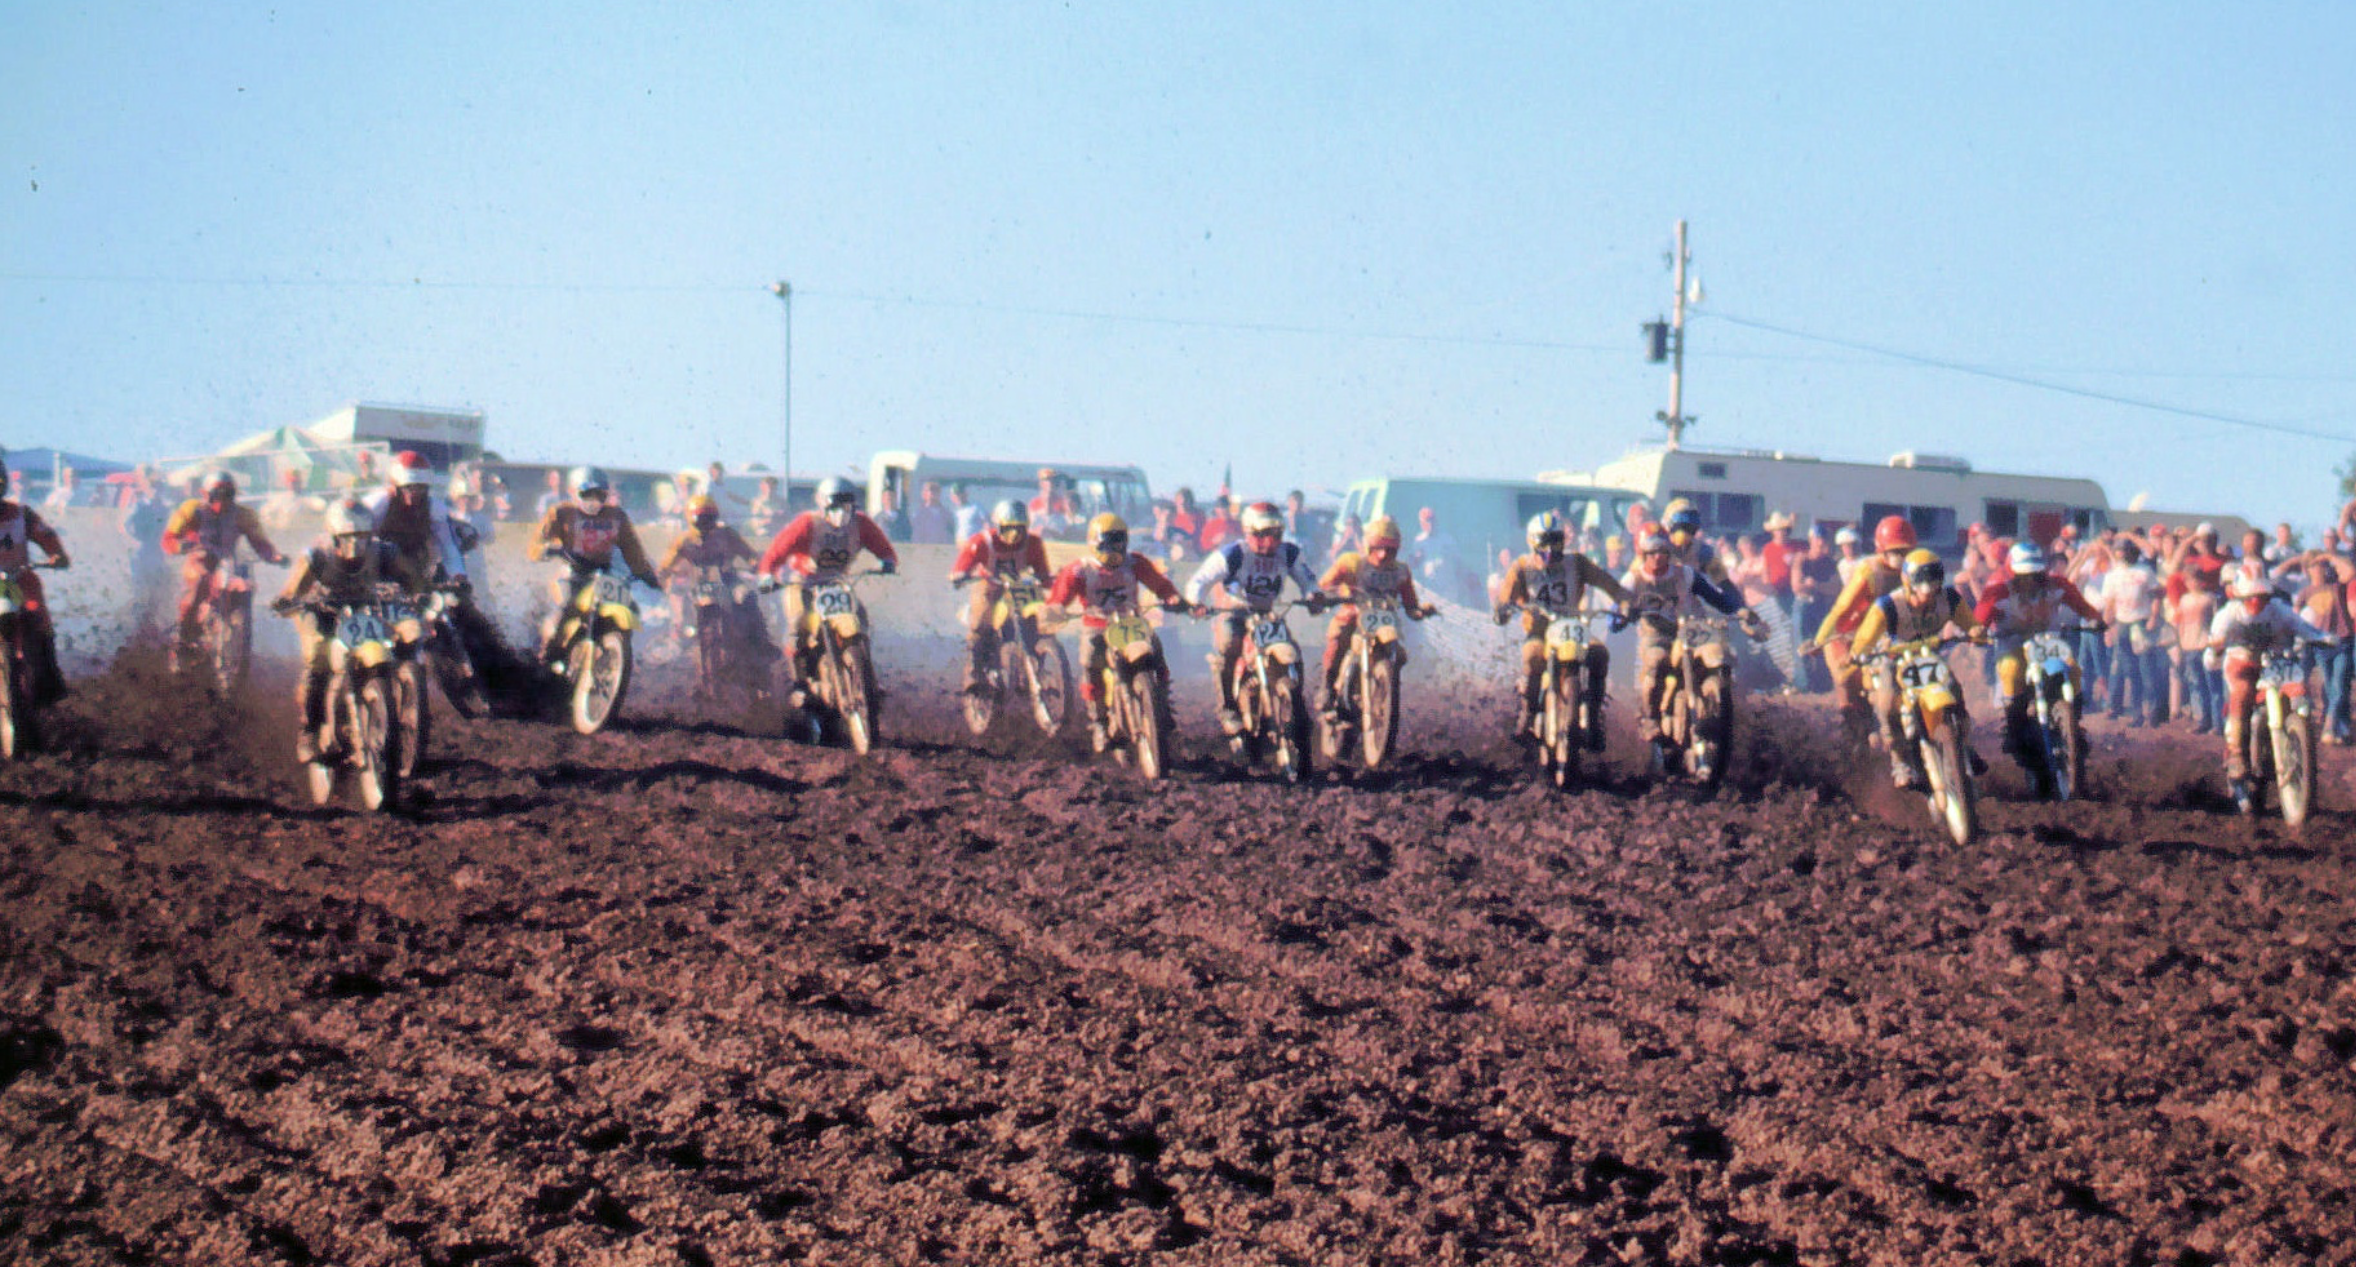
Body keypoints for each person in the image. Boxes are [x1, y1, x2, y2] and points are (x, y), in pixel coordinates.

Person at [270, 497, 422, 763]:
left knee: (406, 633)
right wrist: (288, 601)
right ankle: (309, 730)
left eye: (361, 537)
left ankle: (400, 694)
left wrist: (419, 592)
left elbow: (412, 579)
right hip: (323, 611)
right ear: (334, 535)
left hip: (365, 610)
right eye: (347, 538)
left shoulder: (384, 552)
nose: (355, 545)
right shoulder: (317, 555)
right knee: (317, 656)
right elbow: (293, 589)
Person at [1618, 526, 1763, 769]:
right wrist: (1623, 614)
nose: (1657, 558)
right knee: (1656, 662)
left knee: (1716, 653)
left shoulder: (1685, 574)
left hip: (1691, 628)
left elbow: (1716, 597)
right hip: (1657, 634)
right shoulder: (1633, 579)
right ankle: (1650, 718)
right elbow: (1616, 614)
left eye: (1662, 551)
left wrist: (1738, 610)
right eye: (1651, 552)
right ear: (1642, 554)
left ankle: (1718, 709)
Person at [1847, 548, 1990, 788]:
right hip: (1894, 658)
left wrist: (1976, 632)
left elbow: (1971, 624)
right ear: (1909, 582)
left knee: (1954, 689)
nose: (1929, 590)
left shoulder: (1950, 599)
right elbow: (1865, 637)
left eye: (1934, 581)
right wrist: (1859, 652)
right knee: (1886, 703)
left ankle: (1964, 745)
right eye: (1922, 582)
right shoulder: (1889, 605)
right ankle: (1900, 760)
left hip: (1928, 655)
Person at [1048, 513, 1189, 750]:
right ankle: (1099, 722)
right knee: (1091, 662)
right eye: (1107, 541)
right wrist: (1055, 610)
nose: (1114, 548)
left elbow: (1159, 584)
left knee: (1155, 648)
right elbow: (1059, 597)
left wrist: (1171, 597)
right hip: (1097, 625)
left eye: (1119, 541)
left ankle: (1162, 704)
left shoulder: (1135, 563)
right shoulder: (1079, 570)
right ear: (1094, 542)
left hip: (1131, 623)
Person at [1493, 511, 1631, 750]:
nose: (1550, 548)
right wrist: (1504, 608)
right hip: (1540, 629)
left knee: (1599, 654)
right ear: (1533, 541)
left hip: (1572, 626)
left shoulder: (1575, 562)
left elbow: (1607, 582)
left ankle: (1595, 715)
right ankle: (1527, 713)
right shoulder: (1522, 567)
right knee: (1532, 656)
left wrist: (1626, 602)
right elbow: (1505, 595)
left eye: (1554, 540)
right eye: (1544, 541)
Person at [1186, 501, 1326, 734]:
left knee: (1293, 652)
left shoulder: (1288, 553)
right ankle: (1227, 707)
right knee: (1229, 643)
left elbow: (1307, 579)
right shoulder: (1233, 553)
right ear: (1248, 532)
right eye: (1262, 535)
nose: (1269, 542)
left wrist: (1313, 595)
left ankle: (1296, 704)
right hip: (1235, 610)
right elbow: (1199, 579)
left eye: (1275, 534)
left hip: (1268, 612)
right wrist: (1196, 602)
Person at [757, 476, 899, 705]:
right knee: (799, 621)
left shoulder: (861, 524)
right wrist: (767, 574)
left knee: (859, 619)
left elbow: (883, 547)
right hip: (802, 582)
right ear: (822, 503)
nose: (841, 512)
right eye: (835, 506)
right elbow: (777, 551)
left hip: (836, 582)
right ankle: (799, 684)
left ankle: (868, 680)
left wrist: (888, 561)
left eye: (846, 506)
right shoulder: (807, 524)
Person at [2208, 570, 2337, 810]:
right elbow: (2211, 653)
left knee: (2297, 688)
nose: (2256, 603)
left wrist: (2324, 637)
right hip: (2242, 662)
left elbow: (2303, 628)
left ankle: (2297, 737)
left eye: (2262, 597)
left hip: (2275, 662)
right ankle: (2236, 754)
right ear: (2240, 598)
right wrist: (2216, 648)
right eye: (2251, 598)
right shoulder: (2228, 615)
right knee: (2243, 692)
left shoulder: (2279, 610)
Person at [1975, 541, 2105, 776]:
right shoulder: (1998, 589)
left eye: (2036, 573)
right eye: (2025, 575)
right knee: (2011, 669)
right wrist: (1978, 632)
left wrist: (2095, 619)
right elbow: (1978, 620)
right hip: (2013, 643)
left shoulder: (2058, 585)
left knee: (2073, 668)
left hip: (2048, 642)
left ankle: (2072, 724)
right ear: (2013, 572)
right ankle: (2014, 727)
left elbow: (2083, 607)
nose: (2031, 580)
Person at [528, 466, 661, 664]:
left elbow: (633, 550)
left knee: (629, 606)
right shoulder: (561, 513)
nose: (593, 501)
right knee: (567, 607)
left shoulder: (617, 517)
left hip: (604, 575)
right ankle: (545, 658)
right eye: (587, 494)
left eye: (599, 495)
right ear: (573, 491)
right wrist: (548, 549)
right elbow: (536, 545)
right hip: (572, 574)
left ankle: (618, 655)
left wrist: (646, 574)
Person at [163, 470, 290, 672]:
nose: (222, 501)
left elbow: (260, 542)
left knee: (245, 583)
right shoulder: (192, 509)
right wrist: (181, 546)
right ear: (205, 494)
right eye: (217, 494)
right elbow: (169, 538)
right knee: (199, 581)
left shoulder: (243, 515)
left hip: (227, 564)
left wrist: (274, 556)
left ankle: (240, 638)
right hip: (200, 560)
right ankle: (183, 636)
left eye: (227, 495)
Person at [1808, 515, 1918, 736]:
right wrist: (1821, 639)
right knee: (1847, 677)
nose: (1901, 557)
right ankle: (1853, 731)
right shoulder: (1870, 571)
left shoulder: (1917, 568)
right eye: (1895, 551)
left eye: (1905, 551)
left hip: (1896, 635)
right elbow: (1842, 608)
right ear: (1881, 549)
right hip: (1852, 632)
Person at [1316, 515, 1431, 718]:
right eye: (1378, 548)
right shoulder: (1352, 563)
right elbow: (1325, 585)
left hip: (1383, 620)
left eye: (1389, 549)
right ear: (1369, 546)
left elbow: (1410, 603)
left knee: (1400, 655)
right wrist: (1328, 596)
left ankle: (1384, 691)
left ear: (1397, 550)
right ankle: (1327, 686)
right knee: (1339, 633)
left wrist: (1419, 611)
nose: (1383, 555)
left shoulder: (1401, 572)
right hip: (1353, 613)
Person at [658, 493, 776, 686]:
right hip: (696, 585)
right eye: (700, 518)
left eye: (709, 518)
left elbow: (749, 555)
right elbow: (665, 565)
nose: (705, 524)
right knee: (677, 609)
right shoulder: (684, 541)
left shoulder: (727, 534)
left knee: (747, 597)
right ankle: (676, 640)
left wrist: (757, 565)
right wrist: (661, 578)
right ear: (690, 518)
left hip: (727, 580)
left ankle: (762, 642)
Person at [949, 500, 1053, 695]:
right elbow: (961, 566)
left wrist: (1050, 580)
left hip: (1020, 587)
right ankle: (974, 672)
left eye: (1019, 529)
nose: (1014, 534)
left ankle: (1032, 670)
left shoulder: (1034, 543)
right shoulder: (981, 542)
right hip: (989, 586)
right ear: (998, 526)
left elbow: (1043, 573)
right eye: (1008, 528)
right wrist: (960, 575)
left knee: (1038, 623)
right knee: (982, 622)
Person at [0, 450, 73, 703]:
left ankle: (49, 678)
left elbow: (48, 538)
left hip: (18, 580)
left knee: (37, 615)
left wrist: (56, 556)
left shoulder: (22, 515)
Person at [2098, 538, 2167, 726]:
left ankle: (2153, 712)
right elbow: (2110, 605)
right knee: (2130, 671)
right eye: (2119, 551)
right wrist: (2106, 629)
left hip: (2141, 623)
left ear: (2132, 553)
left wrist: (2153, 616)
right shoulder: (2112, 576)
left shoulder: (2145, 572)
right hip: (2122, 624)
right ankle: (2137, 714)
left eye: (2125, 551)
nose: (2122, 554)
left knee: (2147, 669)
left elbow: (2157, 595)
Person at [909, 480, 956, 545]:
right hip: (925, 549)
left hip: (942, 549)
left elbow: (952, 532)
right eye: (930, 490)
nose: (933, 493)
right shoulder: (918, 514)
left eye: (936, 490)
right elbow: (916, 535)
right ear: (924, 494)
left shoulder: (946, 513)